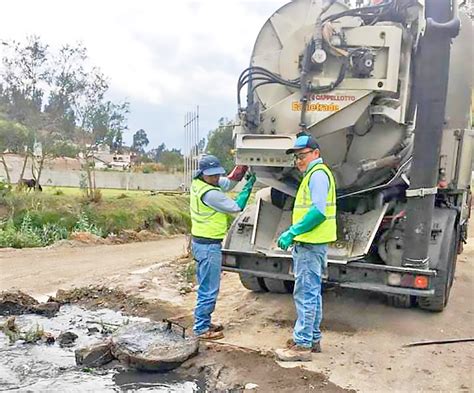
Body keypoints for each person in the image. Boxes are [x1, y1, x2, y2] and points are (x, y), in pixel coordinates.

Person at [274, 132, 337, 362]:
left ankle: (302, 346)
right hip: (312, 243)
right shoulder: (314, 174)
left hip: (310, 244)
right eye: (296, 157)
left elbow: (318, 211)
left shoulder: (318, 175)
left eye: (303, 155)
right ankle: (311, 338)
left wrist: (293, 231)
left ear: (316, 153)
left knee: (306, 294)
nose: (299, 160)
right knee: (312, 293)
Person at [190, 155, 256, 340]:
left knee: (206, 286)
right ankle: (201, 328)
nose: (216, 178)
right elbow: (236, 207)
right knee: (209, 288)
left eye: (217, 174)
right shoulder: (210, 194)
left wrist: (241, 168)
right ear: (203, 173)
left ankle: (203, 321)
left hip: (201, 244)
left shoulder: (199, 184)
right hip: (209, 246)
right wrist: (249, 185)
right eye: (212, 176)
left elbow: (227, 183)